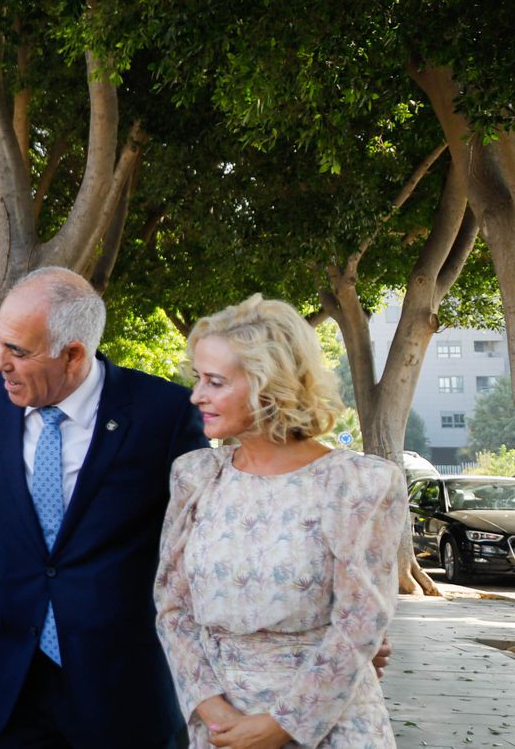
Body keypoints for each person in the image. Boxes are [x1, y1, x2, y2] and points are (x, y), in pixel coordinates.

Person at [0, 266, 208, 748]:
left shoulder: (164, 415)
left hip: (125, 690)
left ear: (72, 355)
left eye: (17, 351)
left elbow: (201, 555)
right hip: (15, 682)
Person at [155, 295, 406, 748]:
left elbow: (361, 621)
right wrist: (212, 711)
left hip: (329, 727)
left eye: (214, 382)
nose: (197, 396)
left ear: (267, 385)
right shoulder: (194, 476)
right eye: (198, 379)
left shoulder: (359, 483)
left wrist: (281, 726)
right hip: (221, 730)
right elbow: (172, 608)